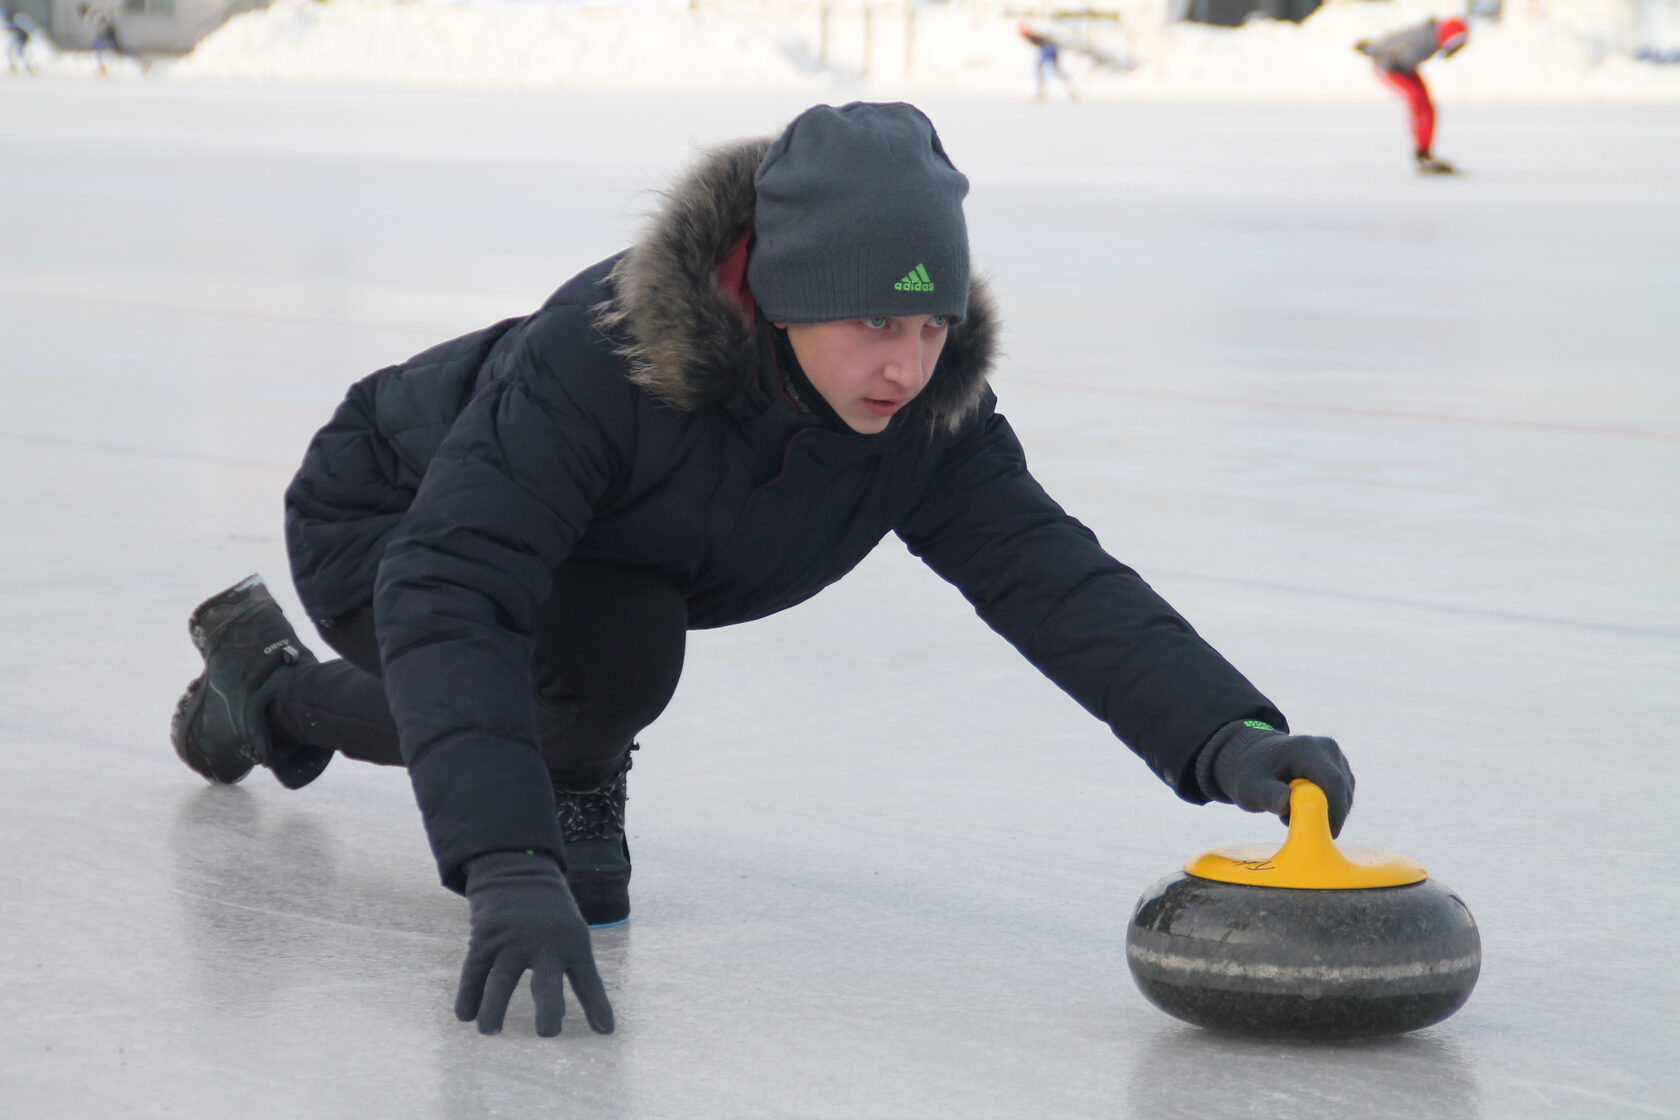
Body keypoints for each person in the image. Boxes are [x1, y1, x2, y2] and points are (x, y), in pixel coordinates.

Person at [171, 102, 1356, 1040]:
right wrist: (506, 857)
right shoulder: (603, 360)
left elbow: (1050, 576)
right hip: (390, 516)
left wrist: (1227, 734)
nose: (904, 363)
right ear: (785, 292)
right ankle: (275, 689)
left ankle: (537, 742)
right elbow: (452, 585)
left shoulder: (927, 418)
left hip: (603, 568)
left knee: (608, 652)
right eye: (871, 324)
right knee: (603, 661)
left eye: (929, 322)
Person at [1356, 16, 1470, 175]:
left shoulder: (1433, 37)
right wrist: (1372, 48)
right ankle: (1422, 154)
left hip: (1405, 67)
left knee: (1427, 105)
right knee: (1418, 101)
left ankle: (1424, 152)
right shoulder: (1421, 42)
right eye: (1455, 47)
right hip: (1389, 68)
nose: (1454, 52)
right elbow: (1392, 45)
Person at [1017, 20, 1077, 101]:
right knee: (1049, 69)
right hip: (1047, 48)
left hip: (1049, 49)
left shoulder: (1031, 35)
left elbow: (1047, 39)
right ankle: (1069, 88)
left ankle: (1043, 91)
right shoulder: (1029, 36)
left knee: (1048, 69)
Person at [79, 3, 146, 76]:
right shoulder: (94, 12)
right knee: (118, 49)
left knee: (98, 46)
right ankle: (141, 61)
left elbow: (101, 21)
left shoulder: (89, 16)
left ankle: (102, 68)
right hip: (109, 30)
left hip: (106, 31)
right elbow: (107, 14)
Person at [3, 7, 36, 75]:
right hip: (21, 37)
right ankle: (14, 66)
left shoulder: (17, 20)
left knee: (19, 52)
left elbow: (24, 29)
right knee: (11, 50)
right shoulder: (15, 21)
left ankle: (27, 66)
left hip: (23, 37)